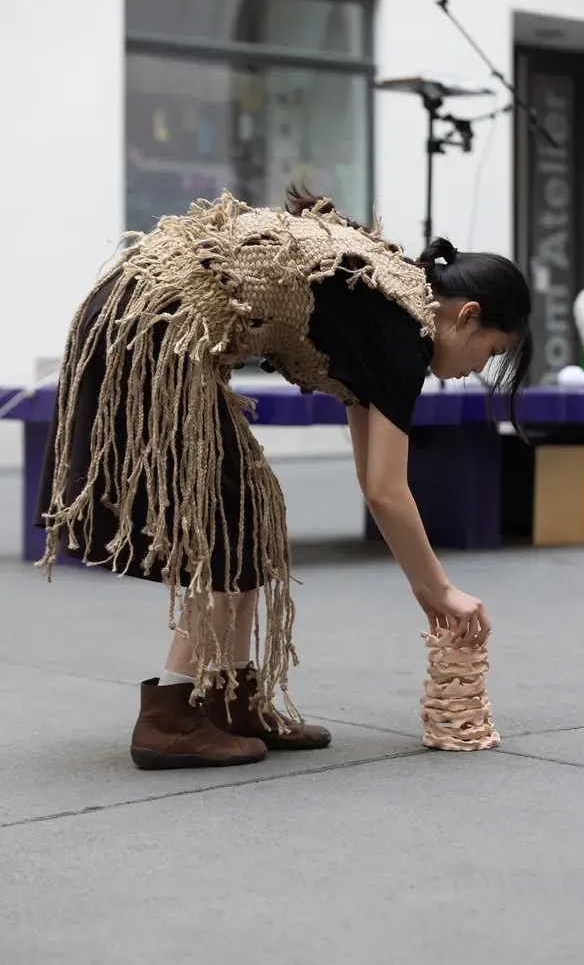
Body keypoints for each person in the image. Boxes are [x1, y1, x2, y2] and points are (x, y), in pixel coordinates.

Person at [35, 188, 532, 771]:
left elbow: (373, 478)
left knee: (246, 508)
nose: (478, 369)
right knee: (227, 519)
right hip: (153, 324)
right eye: (491, 351)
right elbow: (386, 489)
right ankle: (168, 717)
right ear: (466, 315)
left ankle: (229, 698)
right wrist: (439, 590)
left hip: (137, 311)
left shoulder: (389, 308)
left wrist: (428, 587)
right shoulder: (405, 330)